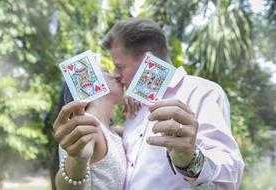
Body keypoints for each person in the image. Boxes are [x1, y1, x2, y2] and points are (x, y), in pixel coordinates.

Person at [100, 17, 244, 189]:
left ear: (148, 60)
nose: (115, 74)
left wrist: (190, 160)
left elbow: (230, 175)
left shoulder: (202, 92)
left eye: (119, 66)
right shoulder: (135, 107)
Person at [53, 70, 126, 190]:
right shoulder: (84, 127)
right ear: (87, 83)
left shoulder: (112, 131)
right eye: (105, 71)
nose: (115, 74)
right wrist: (77, 160)